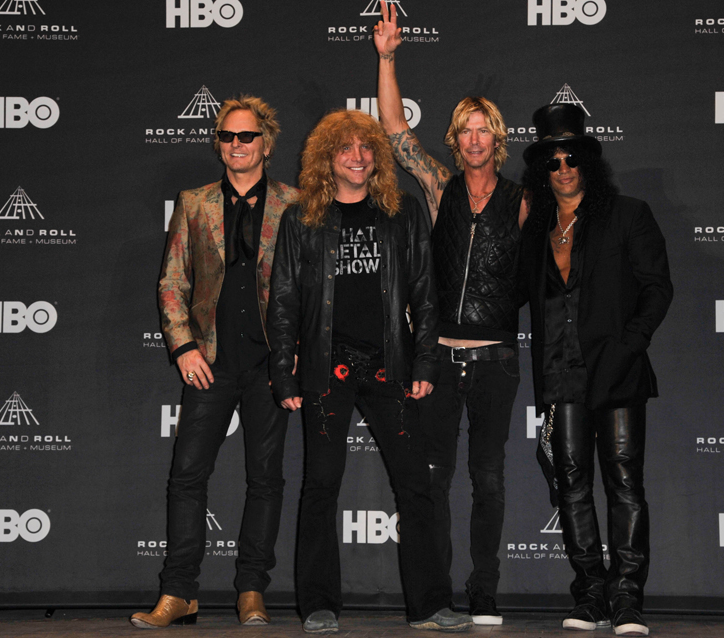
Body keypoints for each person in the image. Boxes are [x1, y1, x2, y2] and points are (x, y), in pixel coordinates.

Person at [266, 109, 472, 634]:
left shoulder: (401, 214)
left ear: (377, 157)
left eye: (366, 148)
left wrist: (425, 359)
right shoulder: (301, 220)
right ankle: (318, 604)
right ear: (325, 159)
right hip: (325, 368)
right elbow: (284, 301)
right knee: (321, 486)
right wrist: (284, 372)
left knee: (415, 485)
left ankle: (429, 605)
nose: (358, 157)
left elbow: (426, 293)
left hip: (389, 367)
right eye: (345, 149)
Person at [372, 1, 527, 625]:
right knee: (431, 483)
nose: (473, 140)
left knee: (488, 481)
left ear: (499, 138)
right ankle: (432, 596)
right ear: (454, 142)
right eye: (463, 131)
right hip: (437, 359)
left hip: (496, 360)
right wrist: (386, 59)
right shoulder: (439, 188)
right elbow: (391, 133)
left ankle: (483, 592)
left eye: (482, 129)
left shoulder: (522, 201)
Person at [131, 96, 298, 629]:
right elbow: (173, 280)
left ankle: (252, 590)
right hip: (211, 361)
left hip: (272, 362)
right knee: (186, 476)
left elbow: (310, 288)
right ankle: (179, 593)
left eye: (246, 136)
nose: (236, 145)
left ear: (265, 144)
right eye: (227, 136)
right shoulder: (195, 202)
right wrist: (182, 347)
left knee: (266, 478)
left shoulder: (294, 204)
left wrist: (294, 359)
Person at [519, 103, 673, 637]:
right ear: (542, 171)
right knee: (571, 484)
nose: (562, 168)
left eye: (571, 157)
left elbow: (657, 289)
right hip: (559, 375)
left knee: (625, 483)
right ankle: (591, 594)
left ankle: (627, 596)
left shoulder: (628, 214)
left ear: (588, 161)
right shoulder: (536, 230)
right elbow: (511, 294)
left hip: (617, 372)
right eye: (552, 161)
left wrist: (630, 345)